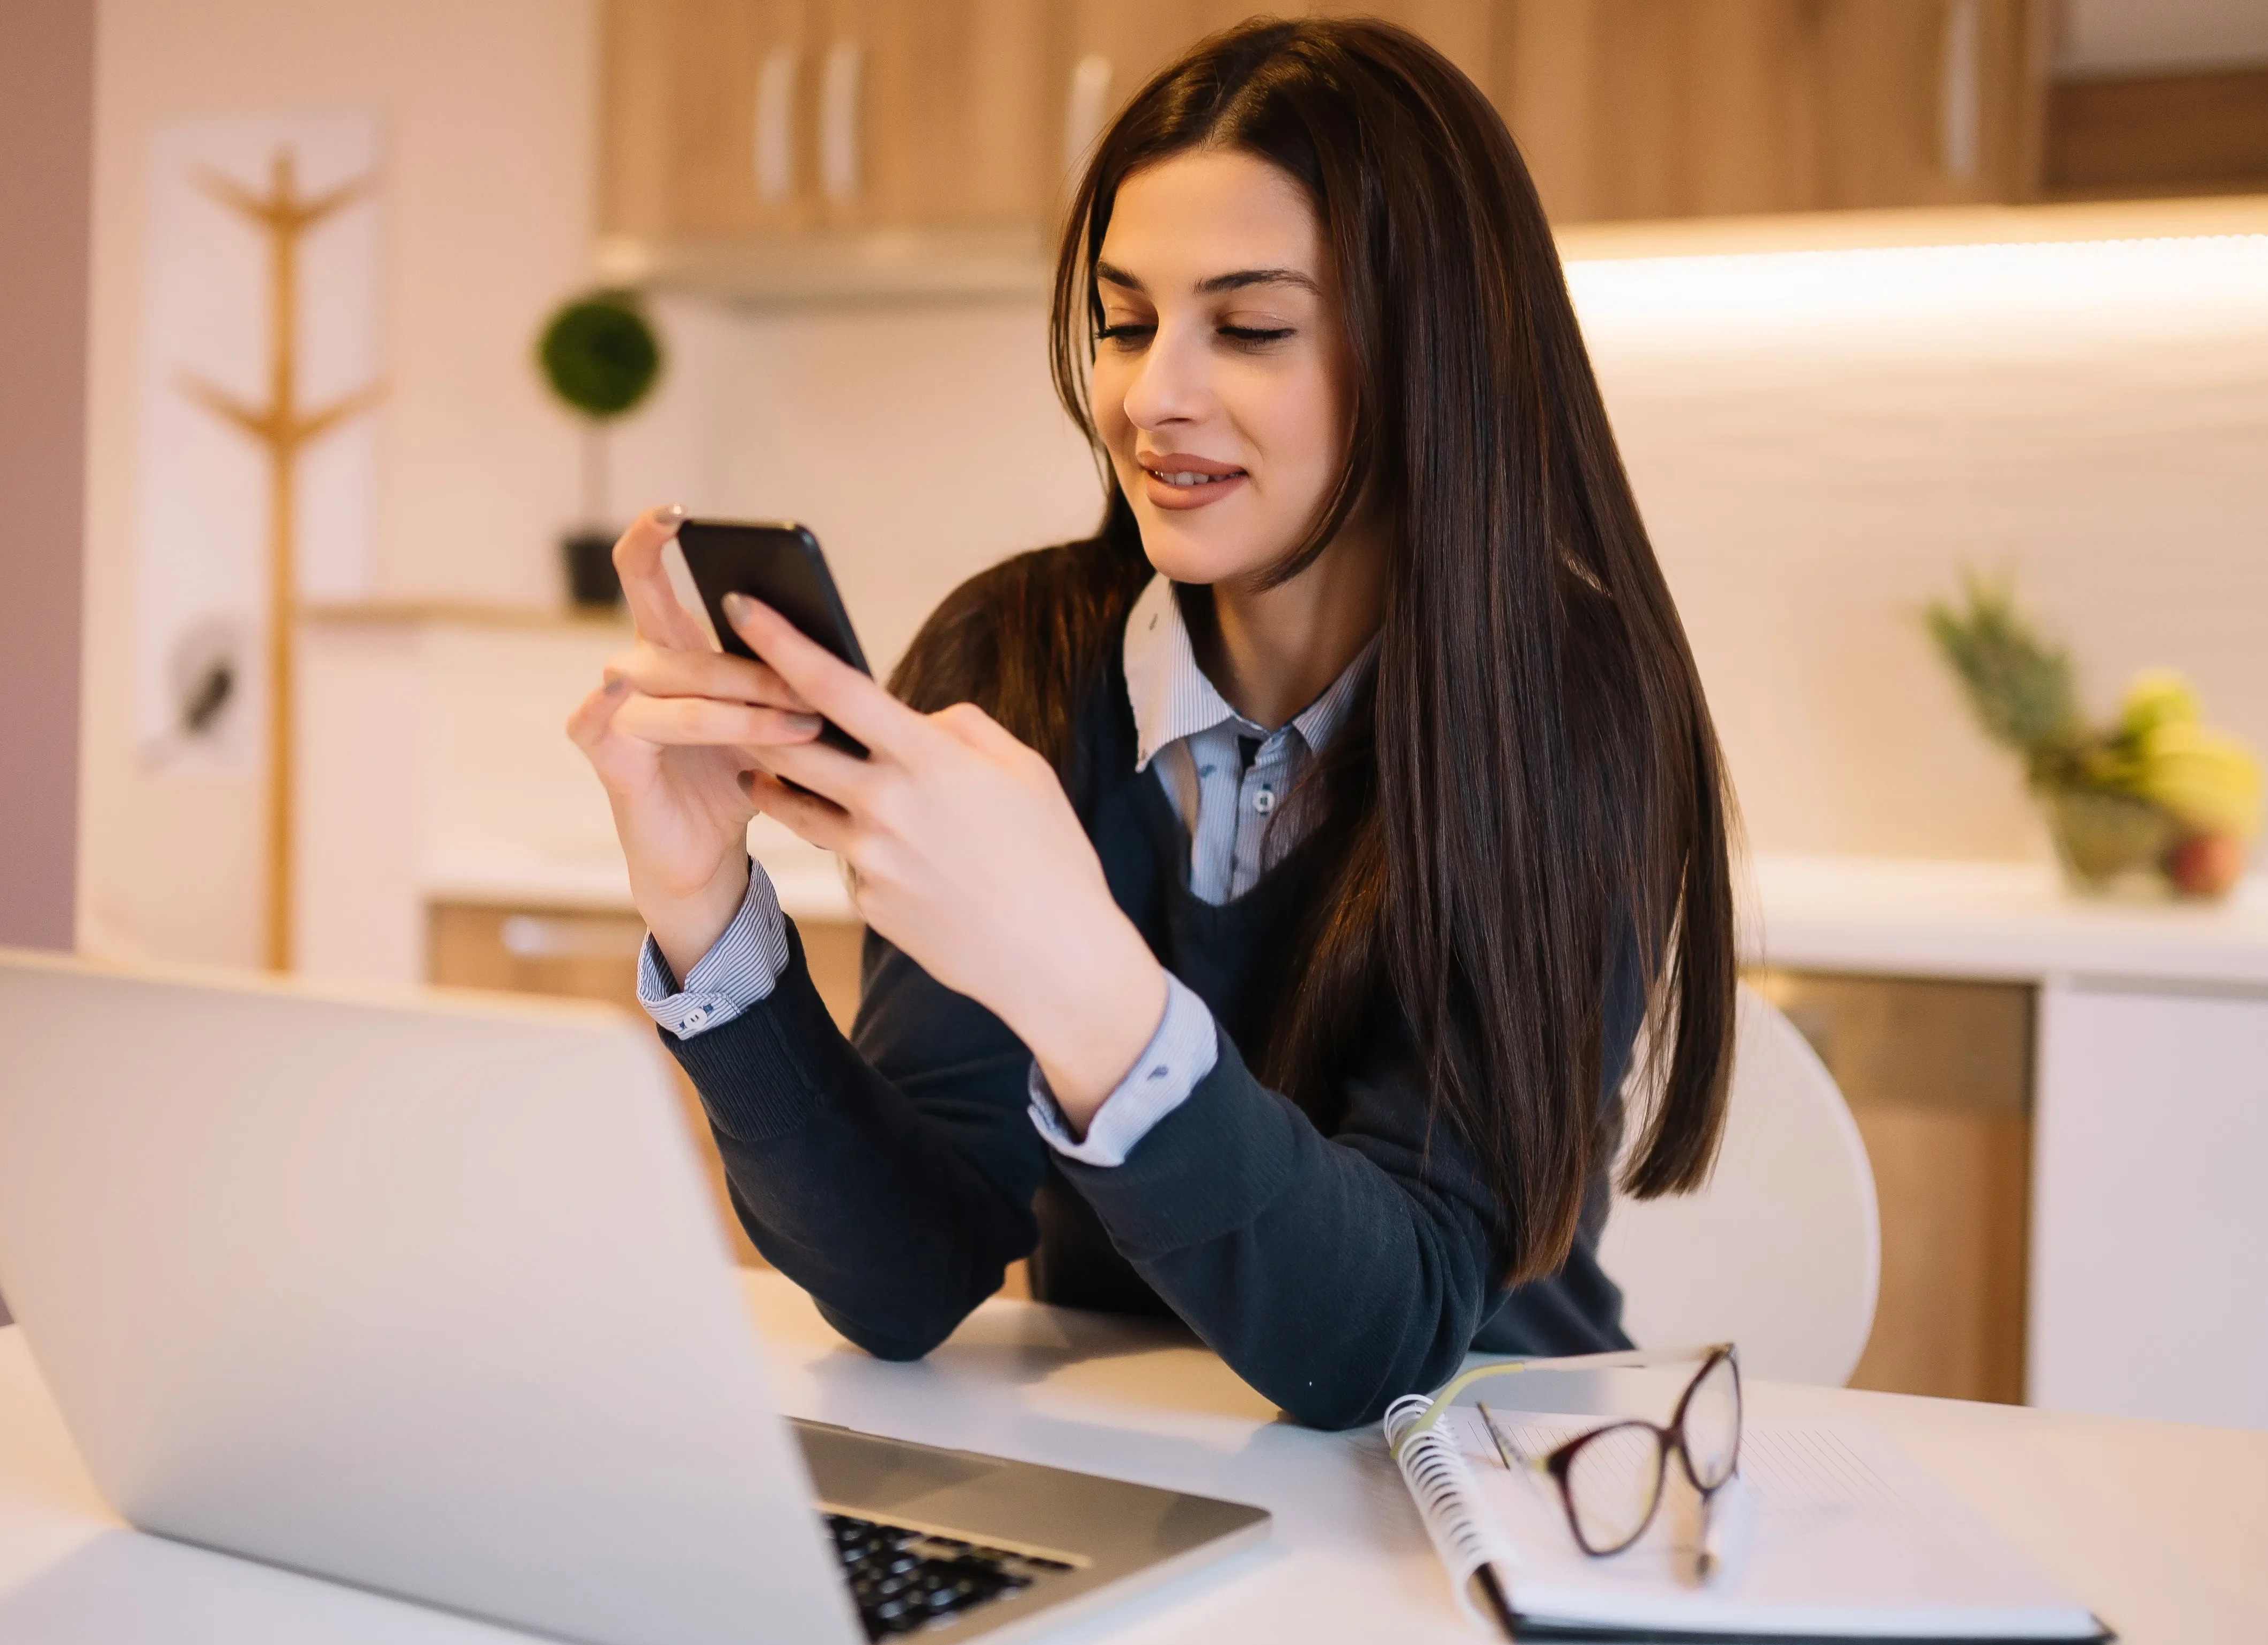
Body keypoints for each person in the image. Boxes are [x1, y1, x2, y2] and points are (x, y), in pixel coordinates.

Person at [566, 17, 1735, 1431]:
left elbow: (1384, 1339)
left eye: (1248, 329)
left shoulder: (1561, 707)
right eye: (1125, 323)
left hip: (1483, 1480)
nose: (1150, 397)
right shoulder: (1020, 653)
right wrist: (709, 915)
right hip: (1150, 1466)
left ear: (1433, 355)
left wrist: (1075, 971)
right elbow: (903, 1278)